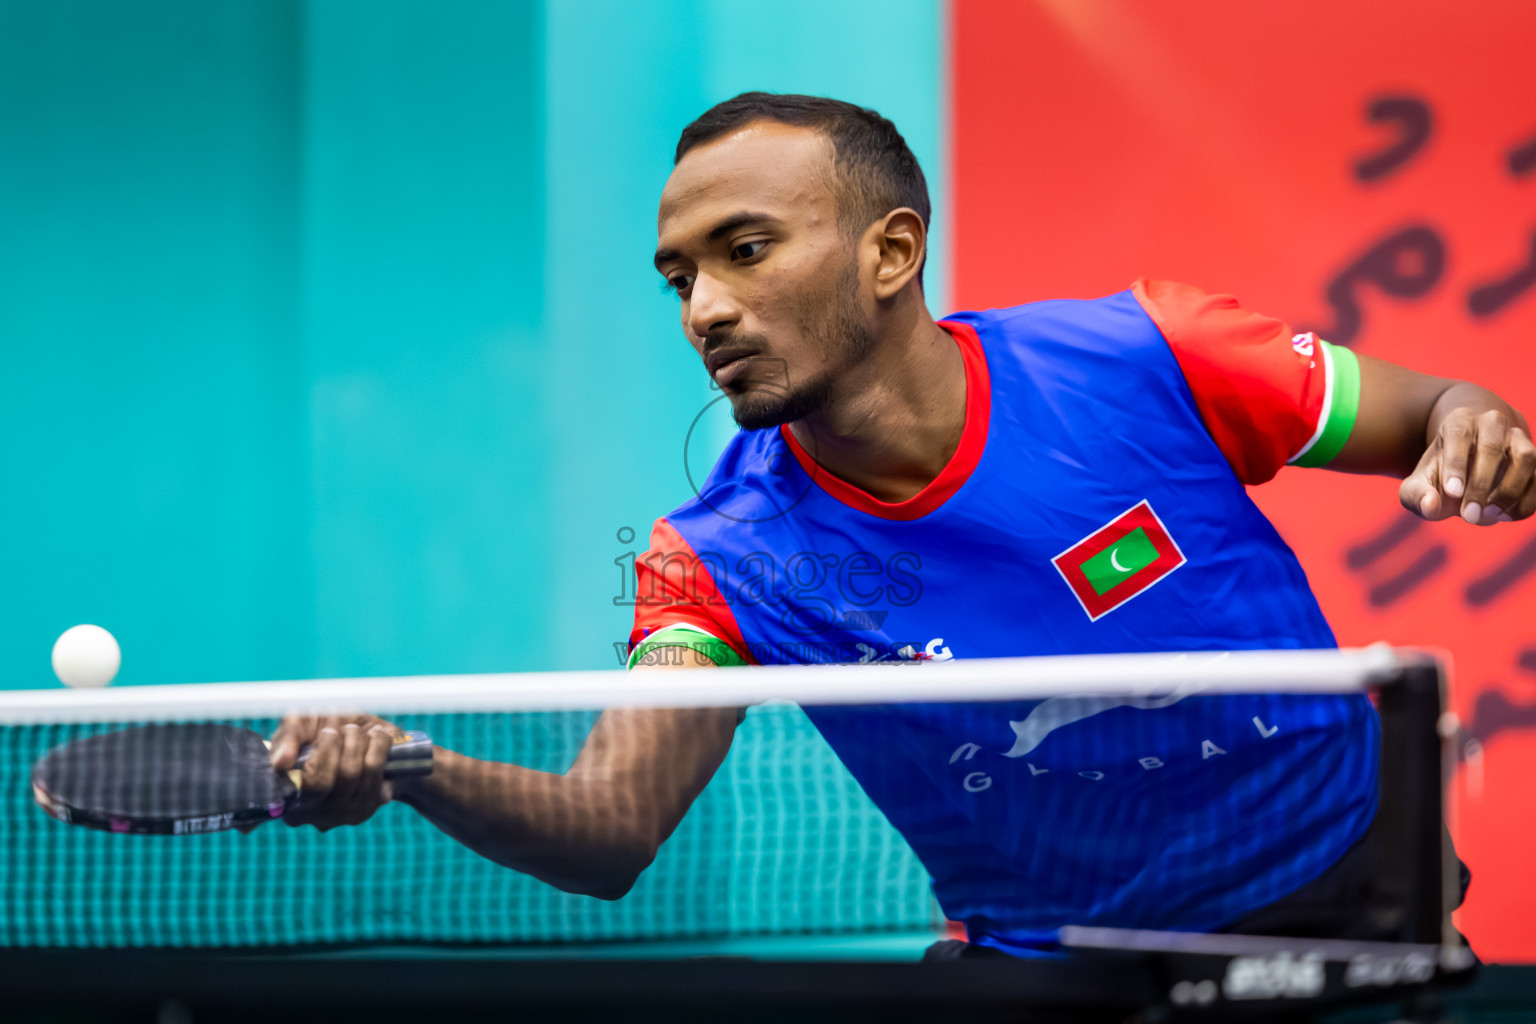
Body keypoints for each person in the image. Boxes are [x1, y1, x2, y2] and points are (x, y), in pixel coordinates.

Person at [271, 93, 1532, 956]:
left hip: (1344, 885)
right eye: (680, 276)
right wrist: (407, 767)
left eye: (747, 249)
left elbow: (1439, 411)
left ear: (890, 253)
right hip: (1054, 968)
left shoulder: (1151, 355)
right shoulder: (716, 559)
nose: (705, 306)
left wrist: (1480, 435)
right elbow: (608, 830)